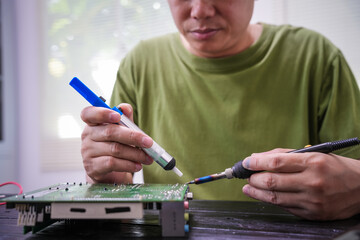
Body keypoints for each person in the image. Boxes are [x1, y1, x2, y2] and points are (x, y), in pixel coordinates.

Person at [80, 0, 360, 221]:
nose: (200, 10)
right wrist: (107, 177)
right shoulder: (139, 64)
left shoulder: (316, 57)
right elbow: (117, 191)